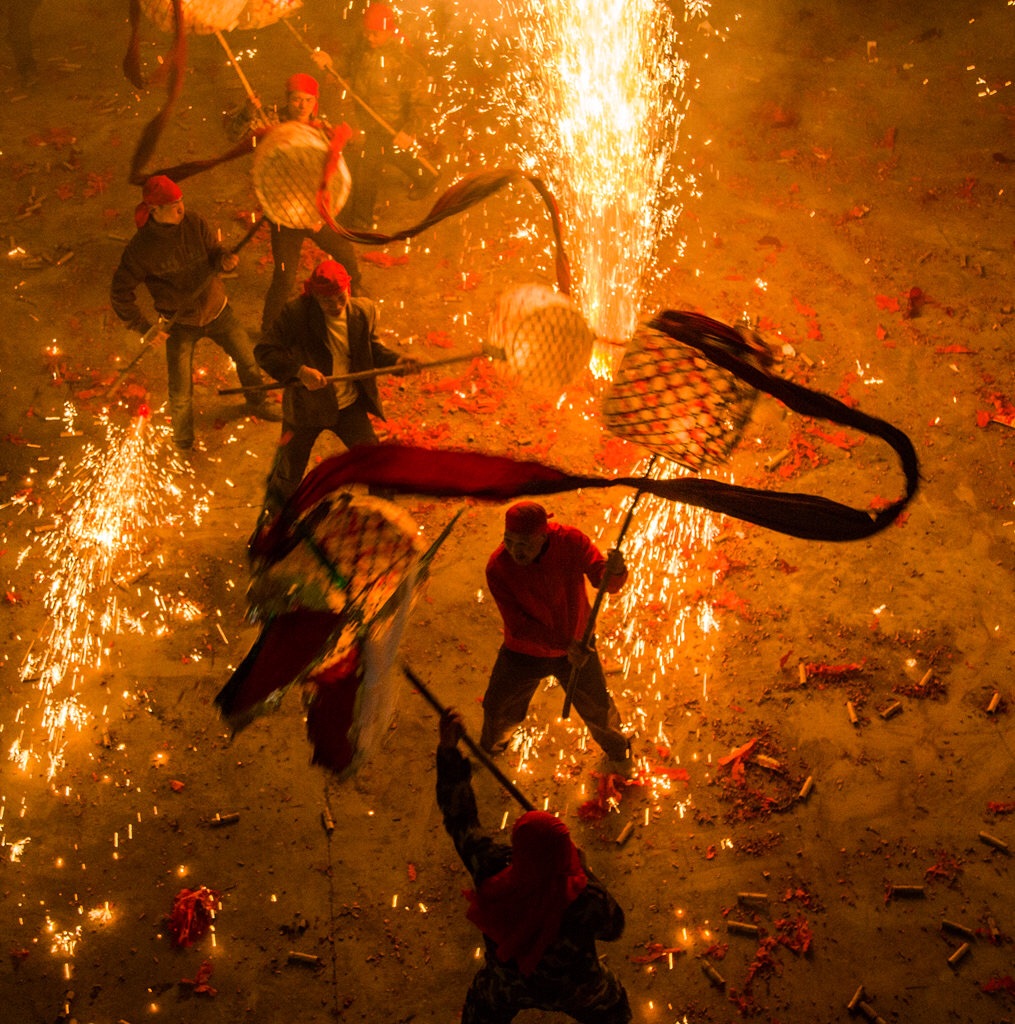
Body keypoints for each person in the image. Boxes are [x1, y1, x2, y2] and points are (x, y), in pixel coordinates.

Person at [437, 707, 632, 1024]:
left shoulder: (493, 867)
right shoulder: (584, 898)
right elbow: (615, 928)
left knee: (483, 1006)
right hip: (576, 987)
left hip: (509, 983)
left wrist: (448, 751)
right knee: (614, 1009)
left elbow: (460, 818)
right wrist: (584, 872)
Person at [110, 175, 279, 451]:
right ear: (155, 210)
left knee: (248, 360)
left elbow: (214, 252)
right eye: (173, 205)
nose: (181, 208)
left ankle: (257, 402)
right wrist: (144, 328)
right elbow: (120, 293)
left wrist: (223, 260)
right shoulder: (141, 249)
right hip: (179, 323)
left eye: (181, 201)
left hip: (217, 309)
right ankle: (183, 437)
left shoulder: (194, 222)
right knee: (180, 389)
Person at [254, 259, 416, 511]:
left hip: (348, 406)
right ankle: (273, 520)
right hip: (307, 408)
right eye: (328, 302)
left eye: (341, 298)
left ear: (348, 290)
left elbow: (370, 349)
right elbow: (265, 351)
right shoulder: (296, 314)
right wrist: (299, 372)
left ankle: (381, 517)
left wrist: (397, 360)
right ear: (314, 296)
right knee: (289, 473)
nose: (337, 306)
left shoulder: (362, 312)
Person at [480, 501, 631, 766]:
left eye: (524, 544)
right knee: (500, 708)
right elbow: (519, 625)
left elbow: (603, 579)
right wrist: (564, 643)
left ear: (543, 536)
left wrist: (616, 570)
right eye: (509, 541)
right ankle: (492, 749)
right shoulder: (498, 567)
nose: (515, 551)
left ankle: (620, 752)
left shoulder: (571, 541)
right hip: (525, 652)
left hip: (580, 644)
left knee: (598, 708)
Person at [315, 2, 438, 228]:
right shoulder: (362, 48)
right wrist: (329, 62)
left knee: (366, 169)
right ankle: (426, 177)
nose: (369, 38)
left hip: (393, 123)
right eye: (367, 32)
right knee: (392, 153)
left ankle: (361, 221)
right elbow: (346, 65)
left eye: (375, 34)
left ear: (388, 31)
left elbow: (421, 103)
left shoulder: (403, 61)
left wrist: (409, 130)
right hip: (371, 121)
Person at [259, 72, 364, 335]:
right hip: (284, 213)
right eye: (297, 99)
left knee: (345, 252)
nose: (302, 106)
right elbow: (238, 133)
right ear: (288, 99)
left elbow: (332, 172)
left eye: (308, 100)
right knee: (285, 276)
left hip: (316, 211)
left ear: (315, 101)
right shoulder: (271, 122)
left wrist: (323, 213)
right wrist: (248, 113)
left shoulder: (321, 127)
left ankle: (358, 294)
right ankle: (269, 328)